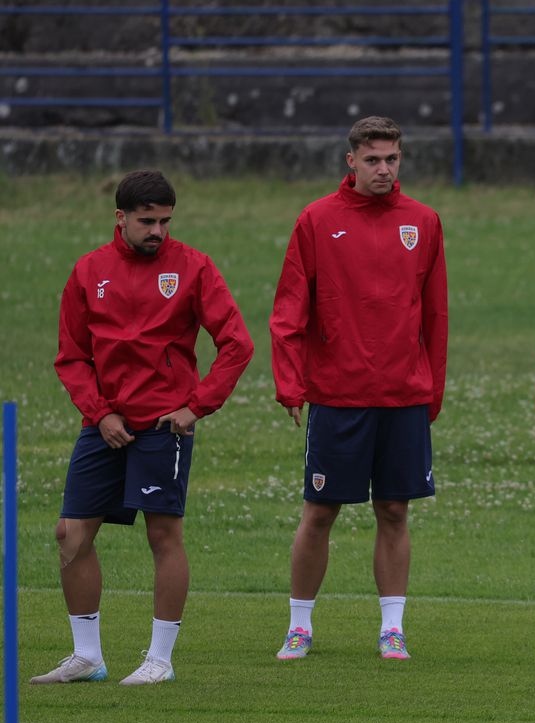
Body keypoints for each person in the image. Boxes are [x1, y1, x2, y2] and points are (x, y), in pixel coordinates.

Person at [32, 169, 253, 686]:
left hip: (164, 424)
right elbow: (71, 356)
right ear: (120, 218)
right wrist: (101, 412)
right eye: (147, 220)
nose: (158, 231)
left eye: (165, 221)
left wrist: (197, 407)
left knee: (163, 534)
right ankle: (87, 657)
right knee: (70, 533)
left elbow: (237, 344)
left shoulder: (194, 268)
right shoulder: (89, 272)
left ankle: (160, 659)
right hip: (104, 422)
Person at [270, 115, 448, 662]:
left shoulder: (423, 221)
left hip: (403, 396)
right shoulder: (318, 220)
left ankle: (391, 627)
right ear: (351, 161)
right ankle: (300, 625)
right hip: (338, 395)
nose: (383, 169)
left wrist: (431, 392)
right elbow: (289, 309)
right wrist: (290, 384)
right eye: (372, 160)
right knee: (319, 511)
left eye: (392, 159)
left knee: (394, 511)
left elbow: (436, 314)